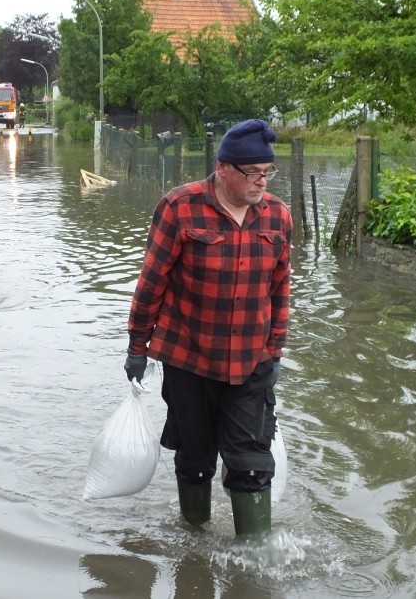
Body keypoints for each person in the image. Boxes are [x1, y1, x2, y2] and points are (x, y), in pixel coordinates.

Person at [124, 118, 292, 536]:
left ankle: (253, 560)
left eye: (267, 173)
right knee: (196, 458)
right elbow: (153, 280)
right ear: (223, 168)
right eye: (252, 174)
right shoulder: (179, 207)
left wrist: (275, 350)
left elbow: (281, 287)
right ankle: (194, 541)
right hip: (189, 358)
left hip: (251, 362)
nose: (261, 183)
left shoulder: (278, 215)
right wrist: (137, 345)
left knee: (252, 463)